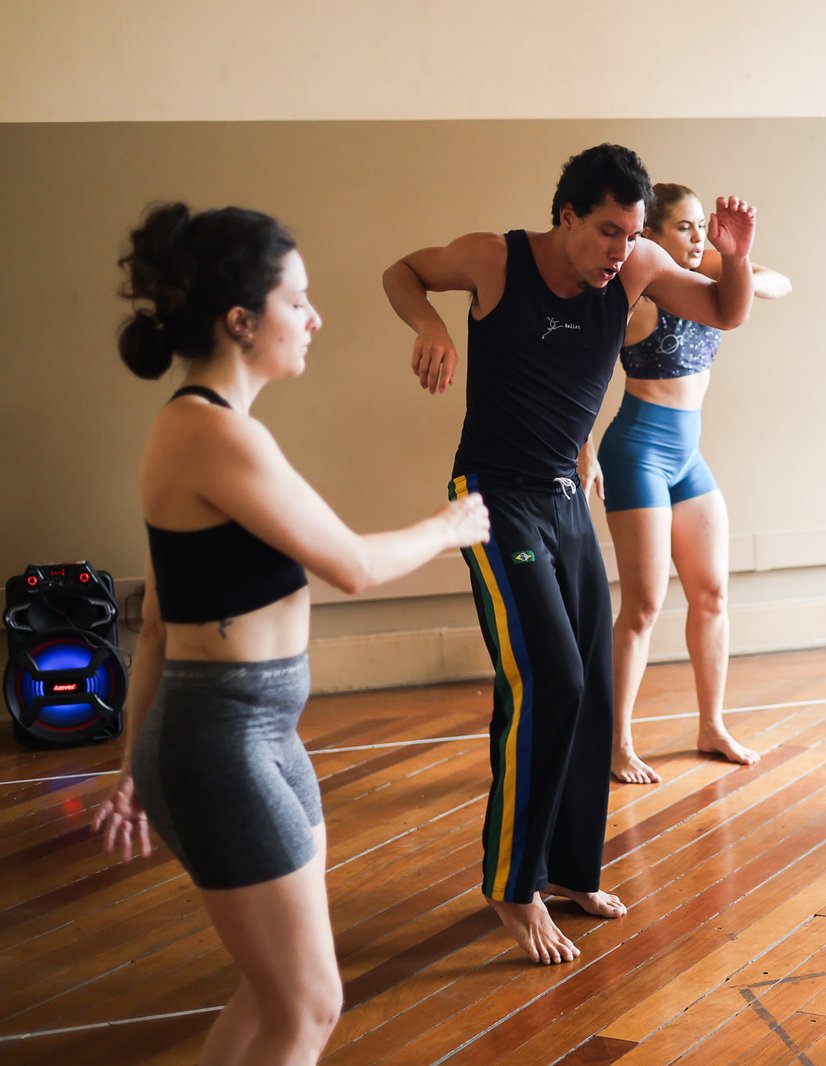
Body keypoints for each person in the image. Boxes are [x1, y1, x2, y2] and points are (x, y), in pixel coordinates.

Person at [93, 202, 491, 1065]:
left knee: (276, 992)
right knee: (308, 1006)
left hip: (254, 735)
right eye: (298, 300)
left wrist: (132, 769)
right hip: (219, 741)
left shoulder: (215, 431)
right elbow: (348, 562)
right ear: (242, 321)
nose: (316, 318)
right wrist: (449, 525)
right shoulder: (208, 433)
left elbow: (158, 622)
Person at [381, 145, 758, 964]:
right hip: (491, 500)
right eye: (608, 233)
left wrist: (737, 257)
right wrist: (430, 323)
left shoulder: (633, 270)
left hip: (562, 499)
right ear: (566, 218)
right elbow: (402, 271)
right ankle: (513, 889)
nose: (622, 251)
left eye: (631, 235)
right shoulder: (494, 259)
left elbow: (726, 312)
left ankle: (570, 871)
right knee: (548, 678)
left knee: (588, 688)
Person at [599, 182, 792, 785]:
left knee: (711, 594)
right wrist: (585, 453)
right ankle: (617, 744)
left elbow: (778, 282)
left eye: (702, 226)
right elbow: (582, 373)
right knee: (643, 606)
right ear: (650, 236)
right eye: (685, 228)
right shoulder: (641, 296)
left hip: (688, 456)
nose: (699, 237)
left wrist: (729, 261)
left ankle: (711, 725)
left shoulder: (708, 275)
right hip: (637, 454)